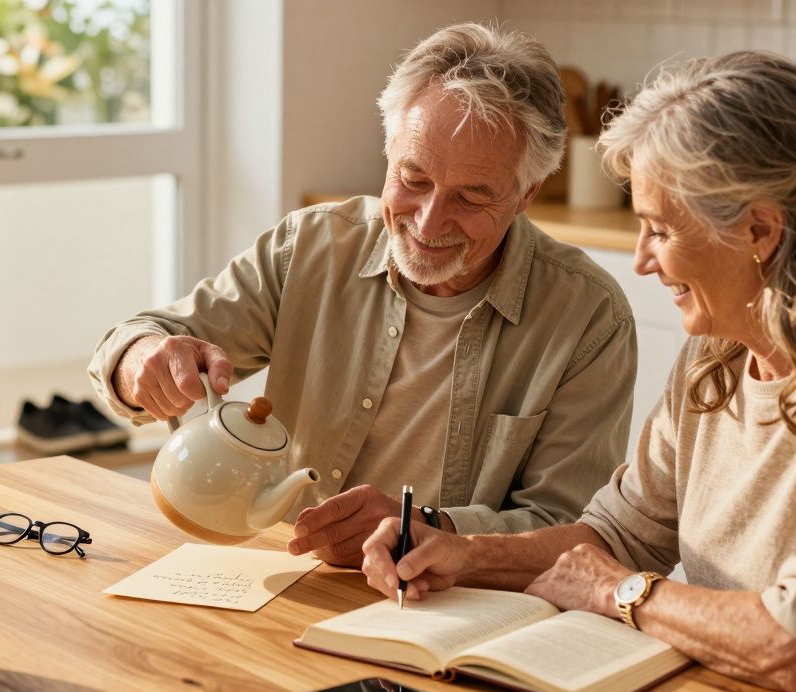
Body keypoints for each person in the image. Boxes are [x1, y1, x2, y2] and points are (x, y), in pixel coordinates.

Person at [360, 51, 796, 692]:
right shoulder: (715, 357)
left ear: (758, 231)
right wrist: (458, 552)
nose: (641, 259)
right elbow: (615, 533)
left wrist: (620, 592)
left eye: (659, 228)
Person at [89, 23, 637, 567]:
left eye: (471, 197)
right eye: (413, 178)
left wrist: (421, 529)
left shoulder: (589, 316)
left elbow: (571, 529)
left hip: (445, 607)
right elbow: (141, 339)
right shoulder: (311, 245)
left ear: (526, 194)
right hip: (281, 577)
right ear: (389, 149)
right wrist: (141, 362)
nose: (428, 220)